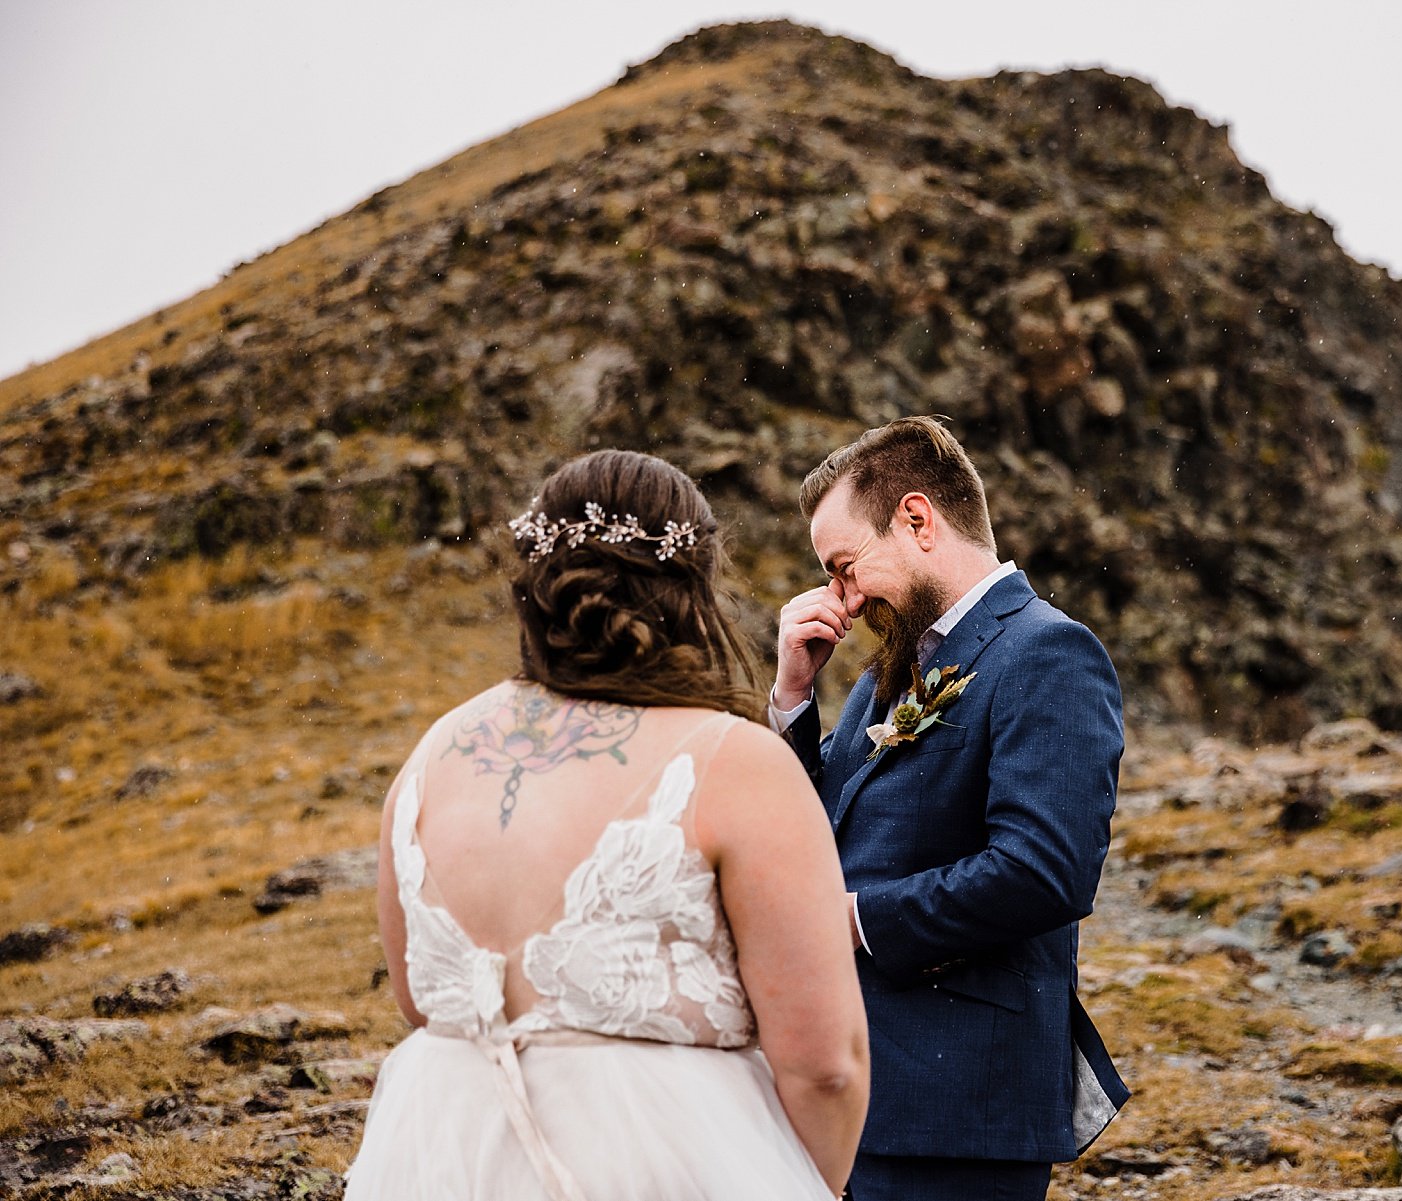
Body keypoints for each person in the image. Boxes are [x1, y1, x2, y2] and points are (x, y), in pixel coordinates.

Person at [347, 449, 869, 1201]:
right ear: (693, 589)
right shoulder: (737, 763)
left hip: (441, 1156)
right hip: (665, 1163)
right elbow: (827, 1066)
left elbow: (419, 1000)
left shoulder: (434, 755)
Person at [771, 417, 1129, 1201]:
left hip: (961, 1107)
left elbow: (1046, 871)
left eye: (844, 566)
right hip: (860, 1094)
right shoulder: (884, 674)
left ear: (916, 518)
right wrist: (794, 700)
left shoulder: (1048, 651)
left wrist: (858, 919)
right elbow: (822, 831)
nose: (843, 596)